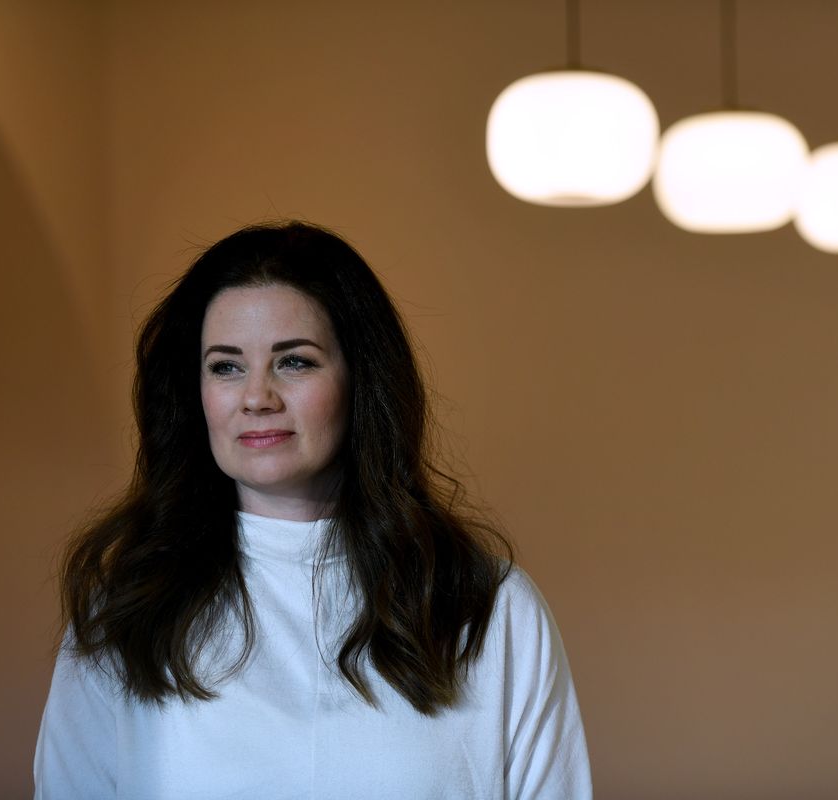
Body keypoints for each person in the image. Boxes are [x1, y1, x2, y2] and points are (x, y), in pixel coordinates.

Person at [33, 221, 591, 799]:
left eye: (294, 361)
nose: (257, 396)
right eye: (226, 366)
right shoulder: (127, 610)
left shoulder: (487, 606)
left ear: (360, 380)